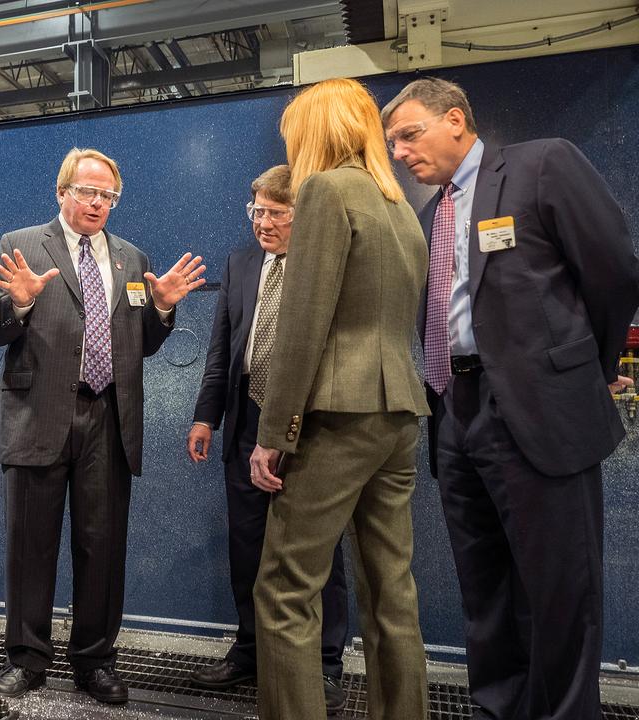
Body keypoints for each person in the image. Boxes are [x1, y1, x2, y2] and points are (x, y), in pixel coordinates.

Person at [382, 77, 639, 720]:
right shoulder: (428, 216)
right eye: (392, 144)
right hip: (454, 409)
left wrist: (586, 368)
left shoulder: (540, 165)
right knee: (484, 586)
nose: (400, 153)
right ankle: (498, 711)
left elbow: (613, 271)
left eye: (409, 135)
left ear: (456, 120)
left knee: (560, 588)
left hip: (537, 407)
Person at [0, 147, 205, 705]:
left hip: (108, 417)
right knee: (30, 546)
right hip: (38, 415)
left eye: (108, 195)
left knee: (102, 547)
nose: (98, 203)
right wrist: (17, 306)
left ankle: (95, 661)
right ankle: (26, 660)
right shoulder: (21, 245)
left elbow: (140, 344)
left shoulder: (131, 258)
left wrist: (162, 311)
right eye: (88, 192)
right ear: (63, 192)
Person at [248, 78, 429, 720]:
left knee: (284, 590)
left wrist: (273, 434)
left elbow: (303, 325)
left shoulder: (325, 190)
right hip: (398, 414)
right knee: (391, 592)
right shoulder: (399, 204)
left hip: (337, 417)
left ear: (315, 132)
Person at [187, 164, 347, 712]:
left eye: (276, 213)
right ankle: (251, 650)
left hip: (308, 425)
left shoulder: (323, 263)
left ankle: (324, 664)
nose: (263, 223)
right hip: (246, 420)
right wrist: (206, 417)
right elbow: (223, 347)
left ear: (304, 215)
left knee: (316, 549)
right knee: (247, 544)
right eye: (256, 211)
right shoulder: (241, 263)